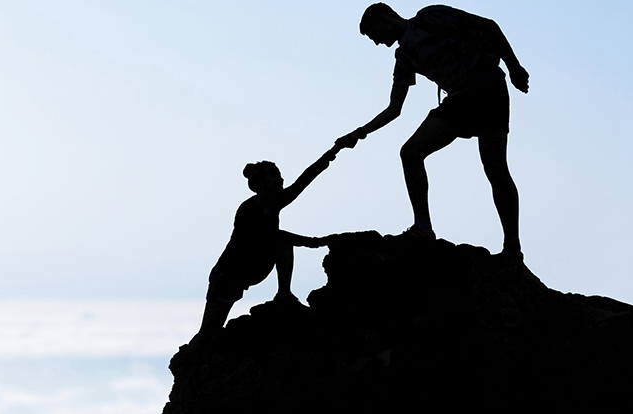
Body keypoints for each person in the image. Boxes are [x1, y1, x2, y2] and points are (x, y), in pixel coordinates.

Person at [336, 3, 528, 259]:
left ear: (384, 18)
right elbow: (394, 108)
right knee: (411, 153)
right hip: (458, 100)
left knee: (495, 166)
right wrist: (359, 133)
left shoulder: (430, 16)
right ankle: (423, 228)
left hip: (486, 86)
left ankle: (512, 247)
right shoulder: (403, 57)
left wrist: (514, 66)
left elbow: (487, 26)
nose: (377, 43)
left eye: (374, 34)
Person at [195, 146, 340, 339]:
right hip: (228, 275)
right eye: (274, 176)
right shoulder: (247, 210)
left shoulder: (276, 201)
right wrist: (316, 242)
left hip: (253, 268)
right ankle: (193, 356)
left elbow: (305, 179)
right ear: (261, 182)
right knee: (208, 333)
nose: (280, 179)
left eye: (280, 175)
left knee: (283, 244)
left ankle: (284, 293)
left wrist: (333, 152)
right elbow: (272, 235)